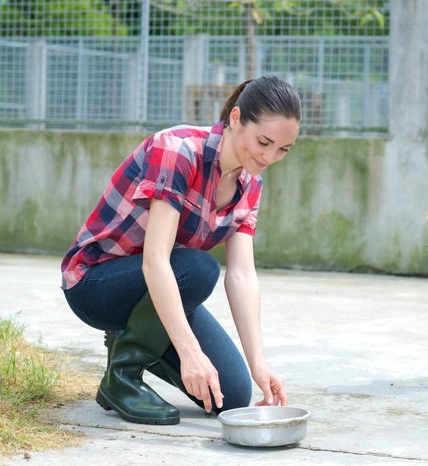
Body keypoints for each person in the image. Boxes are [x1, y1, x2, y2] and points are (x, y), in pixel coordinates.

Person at [60, 75, 301, 425]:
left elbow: (242, 274)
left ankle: (131, 337)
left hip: (156, 285)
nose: (269, 157)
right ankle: (122, 377)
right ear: (236, 119)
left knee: (230, 396)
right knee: (200, 268)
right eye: (263, 141)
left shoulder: (250, 185)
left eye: (282, 149)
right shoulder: (178, 149)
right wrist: (188, 352)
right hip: (95, 283)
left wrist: (259, 364)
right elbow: (156, 259)